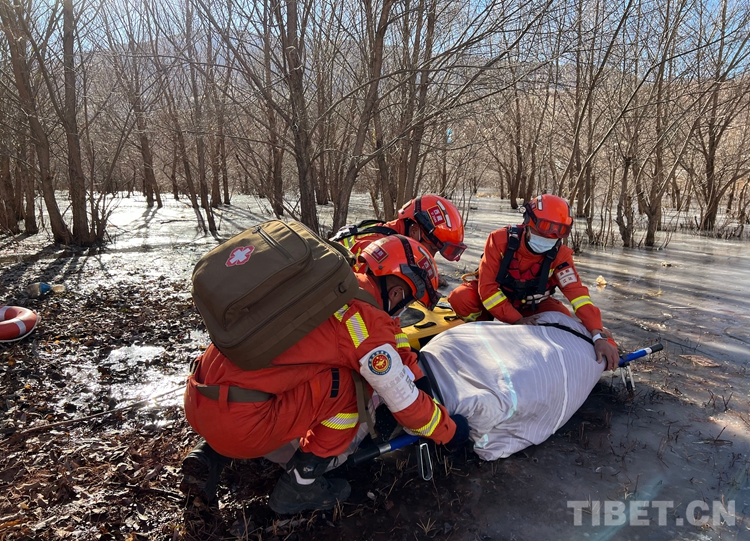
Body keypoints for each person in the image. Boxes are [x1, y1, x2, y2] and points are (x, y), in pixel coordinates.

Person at [181, 235, 469, 514]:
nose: (401, 313)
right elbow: (404, 403)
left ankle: (211, 453)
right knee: (353, 387)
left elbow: (390, 334)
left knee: (284, 373)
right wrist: (450, 432)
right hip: (240, 427)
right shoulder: (364, 321)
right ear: (396, 294)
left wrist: (416, 373)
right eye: (406, 304)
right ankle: (301, 483)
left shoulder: (333, 284)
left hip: (200, 397)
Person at [447, 194, 619, 370]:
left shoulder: (560, 255)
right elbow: (488, 290)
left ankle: (605, 339)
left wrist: (598, 335)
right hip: (496, 303)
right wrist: (517, 320)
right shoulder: (499, 241)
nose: (550, 236)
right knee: (461, 298)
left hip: (533, 305)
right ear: (528, 221)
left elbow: (578, 295)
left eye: (559, 231)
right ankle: (481, 333)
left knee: (565, 322)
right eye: (545, 227)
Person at [332, 194, 467, 269]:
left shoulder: (392, 238)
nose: (431, 257)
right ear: (414, 230)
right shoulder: (378, 251)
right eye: (432, 249)